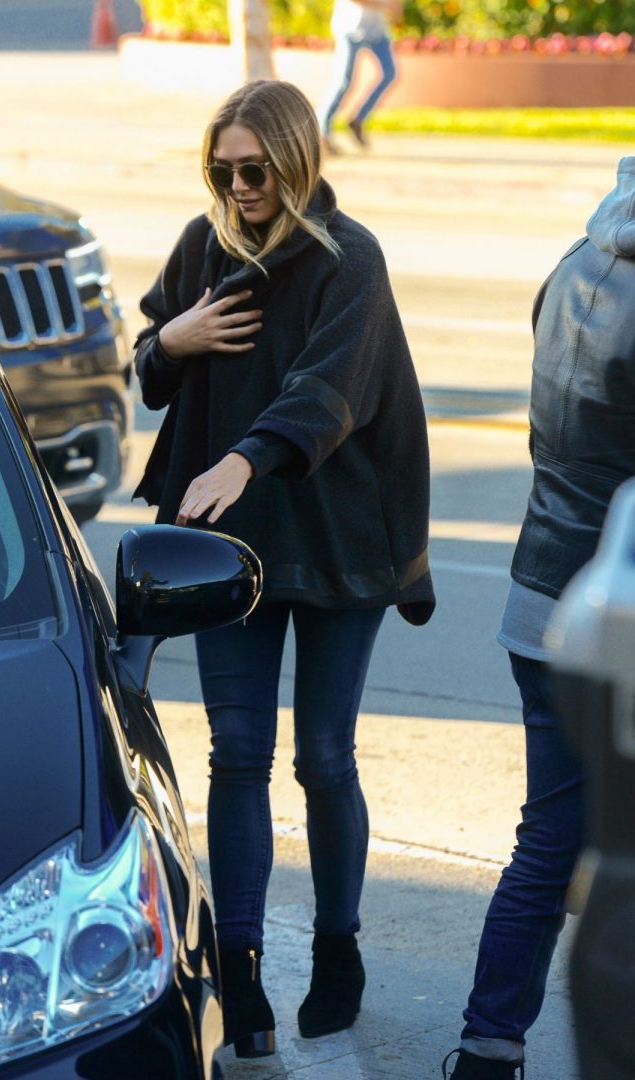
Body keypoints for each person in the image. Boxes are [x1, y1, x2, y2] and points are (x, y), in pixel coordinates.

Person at [132, 79, 435, 1058]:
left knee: (324, 758)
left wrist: (244, 455)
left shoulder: (352, 261)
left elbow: (330, 390)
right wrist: (172, 340)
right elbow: (150, 365)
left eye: (254, 170)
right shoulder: (204, 245)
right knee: (236, 755)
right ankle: (245, 965)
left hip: (340, 539)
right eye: (221, 169)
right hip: (230, 549)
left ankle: (339, 949)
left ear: (300, 161)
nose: (237, 186)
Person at [442, 156, 635, 1079]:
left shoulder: (573, 264)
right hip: (611, 615)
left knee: (549, 838)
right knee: (579, 847)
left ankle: (487, 1046)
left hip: (539, 590)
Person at [318, 0, 402, 155]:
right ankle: (322, 130)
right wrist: (384, 5)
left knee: (390, 73)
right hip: (349, 27)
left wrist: (396, 11)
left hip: (377, 30)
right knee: (343, 81)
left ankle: (358, 119)